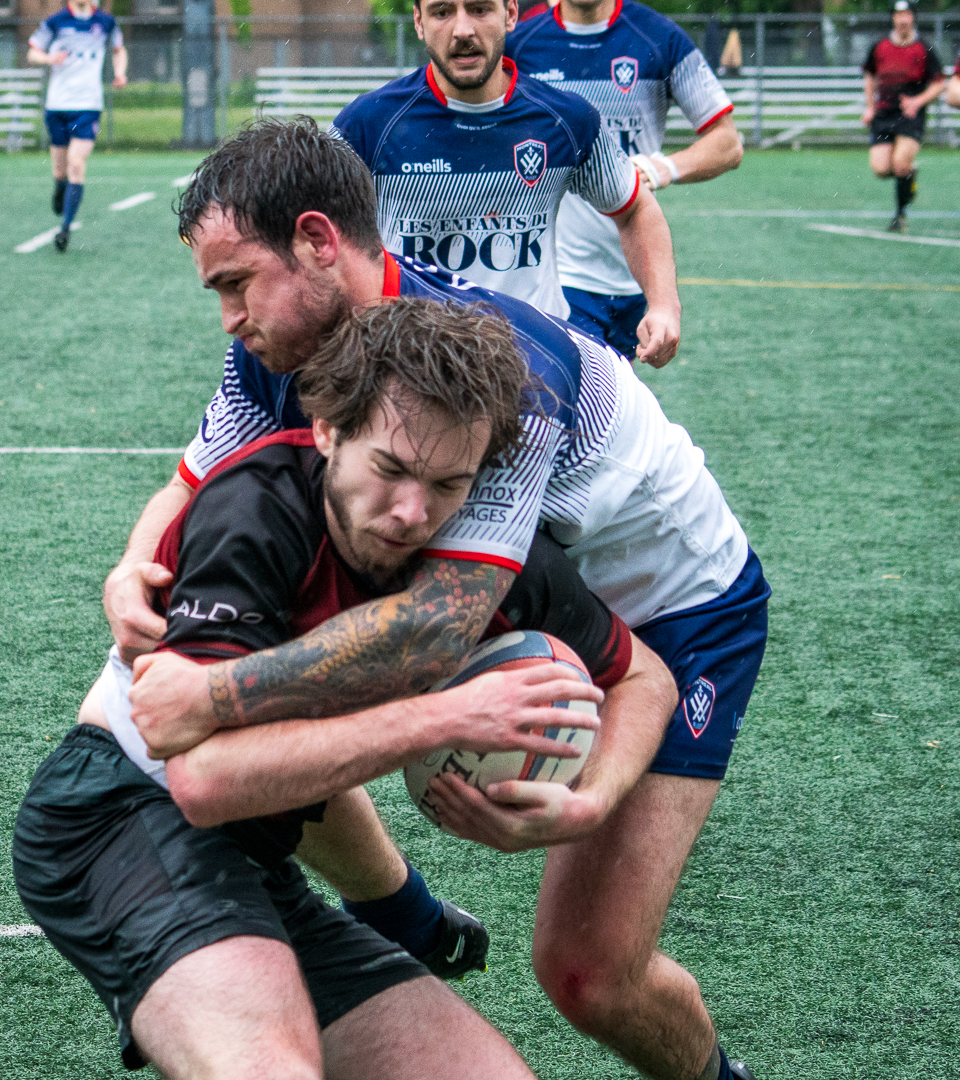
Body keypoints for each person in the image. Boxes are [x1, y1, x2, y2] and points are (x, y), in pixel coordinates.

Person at [110, 121, 769, 1080]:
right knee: (283, 655)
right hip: (530, 588)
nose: (229, 318)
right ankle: (402, 913)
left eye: (236, 283)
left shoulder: (492, 374)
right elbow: (189, 481)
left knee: (589, 974)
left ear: (317, 241)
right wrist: (131, 568)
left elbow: (433, 628)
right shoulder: (279, 348)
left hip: (679, 609)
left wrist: (208, 696)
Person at [14, 298, 624, 1079]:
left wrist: (592, 802)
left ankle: (402, 914)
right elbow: (205, 783)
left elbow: (642, 675)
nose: (413, 512)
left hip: (261, 857)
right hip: (117, 817)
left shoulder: (479, 560)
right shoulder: (255, 511)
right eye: (390, 469)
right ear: (329, 431)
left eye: (449, 482)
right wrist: (445, 715)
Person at [328, 0, 682, 366]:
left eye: (480, 9)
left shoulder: (565, 120)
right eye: (442, 12)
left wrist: (664, 305)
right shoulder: (367, 125)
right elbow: (310, 233)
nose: (463, 30)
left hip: (536, 364)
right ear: (419, 22)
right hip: (412, 366)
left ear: (510, 14)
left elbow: (634, 208)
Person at [505, 0, 742, 360]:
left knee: (611, 393)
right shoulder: (519, 45)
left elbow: (728, 143)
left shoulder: (659, 37)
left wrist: (662, 168)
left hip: (635, 275)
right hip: (560, 276)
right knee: (572, 387)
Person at [28, 0, 127, 252]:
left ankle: (65, 228)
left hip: (88, 106)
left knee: (76, 164)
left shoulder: (106, 22)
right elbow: (33, 52)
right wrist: (49, 58)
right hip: (58, 106)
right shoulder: (56, 21)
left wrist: (120, 72)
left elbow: (118, 49)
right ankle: (59, 188)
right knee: (60, 171)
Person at [861, 0, 945, 234]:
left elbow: (940, 83)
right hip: (884, 113)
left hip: (910, 115)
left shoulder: (924, 48)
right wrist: (869, 107)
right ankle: (909, 174)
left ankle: (900, 216)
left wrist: (918, 101)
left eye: (907, 14)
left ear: (913, 17)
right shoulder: (879, 46)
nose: (903, 19)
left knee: (899, 164)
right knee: (880, 168)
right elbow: (869, 76)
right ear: (893, 18)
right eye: (899, 15)